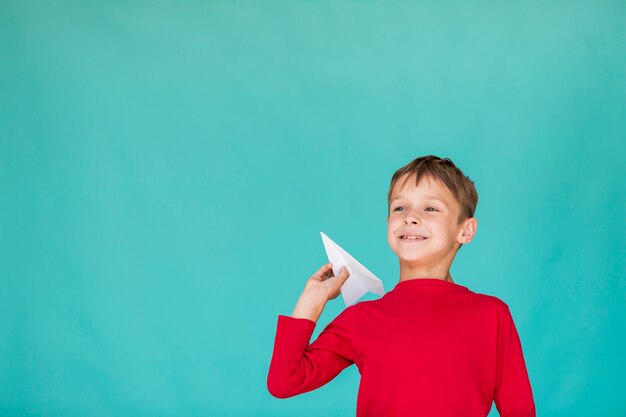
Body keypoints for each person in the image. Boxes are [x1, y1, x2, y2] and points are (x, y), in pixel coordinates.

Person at [267, 155, 536, 417]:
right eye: (400, 208)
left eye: (430, 208)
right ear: (389, 224)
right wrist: (312, 300)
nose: (410, 217)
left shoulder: (492, 315)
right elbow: (285, 381)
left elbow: (519, 410)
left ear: (465, 230)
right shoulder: (361, 318)